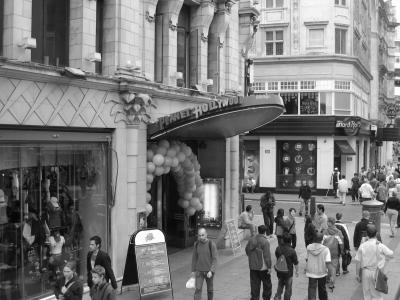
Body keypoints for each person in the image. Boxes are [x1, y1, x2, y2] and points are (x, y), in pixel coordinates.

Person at [355, 224, 394, 300]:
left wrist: (357, 274)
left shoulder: (362, 245)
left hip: (365, 271)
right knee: (377, 295)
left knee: (366, 293)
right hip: (376, 272)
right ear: (376, 234)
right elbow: (391, 253)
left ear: (367, 234)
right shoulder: (380, 245)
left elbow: (358, 261)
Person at [245, 225, 272, 300]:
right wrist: (269, 267)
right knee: (267, 285)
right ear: (265, 232)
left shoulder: (251, 240)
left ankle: (254, 298)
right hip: (263, 268)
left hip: (253, 267)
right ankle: (266, 298)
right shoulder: (265, 242)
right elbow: (267, 256)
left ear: (258, 231)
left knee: (254, 285)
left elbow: (247, 251)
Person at [191, 228, 218, 300]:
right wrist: (193, 271)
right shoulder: (196, 244)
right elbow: (194, 258)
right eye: (199, 235)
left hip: (209, 271)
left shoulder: (211, 244)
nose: (201, 237)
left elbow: (215, 259)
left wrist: (211, 271)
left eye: (202, 235)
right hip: (199, 271)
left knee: (210, 290)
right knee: (198, 289)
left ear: (206, 234)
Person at [273, 232, 299, 300]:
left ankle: (277, 297)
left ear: (283, 240)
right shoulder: (292, 251)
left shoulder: (278, 248)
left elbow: (277, 257)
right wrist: (297, 271)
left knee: (280, 285)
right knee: (288, 288)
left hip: (280, 271)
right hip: (288, 273)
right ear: (290, 241)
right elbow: (296, 263)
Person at [305, 232, 331, 300]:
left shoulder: (309, 247)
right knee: (322, 289)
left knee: (311, 288)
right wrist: (330, 274)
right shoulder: (326, 249)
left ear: (314, 238)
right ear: (322, 239)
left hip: (311, 272)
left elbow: (307, 258)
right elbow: (328, 262)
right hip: (322, 272)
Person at [322, 217, 344, 291]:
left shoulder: (325, 232)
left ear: (330, 223)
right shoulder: (339, 232)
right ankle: (332, 283)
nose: (327, 223)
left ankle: (327, 279)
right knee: (333, 268)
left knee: (327, 267)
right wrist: (341, 251)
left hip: (326, 252)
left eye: (328, 221)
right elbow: (341, 243)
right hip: (335, 252)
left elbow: (321, 243)